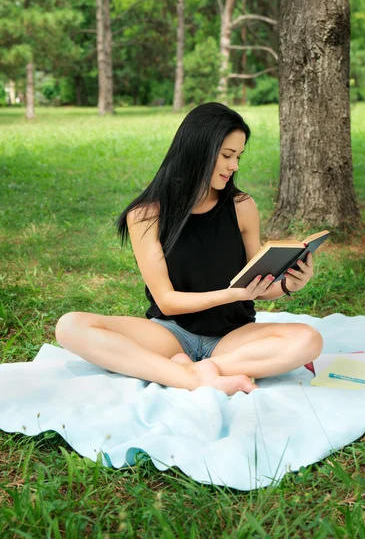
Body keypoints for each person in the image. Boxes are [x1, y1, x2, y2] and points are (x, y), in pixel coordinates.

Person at [55, 102, 323, 396]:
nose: (234, 166)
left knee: (309, 340)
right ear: (199, 151)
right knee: (70, 326)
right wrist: (233, 294)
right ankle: (195, 378)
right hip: (170, 332)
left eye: (238, 156)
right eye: (227, 155)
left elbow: (258, 284)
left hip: (232, 335)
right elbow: (167, 301)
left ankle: (189, 371)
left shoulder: (242, 207)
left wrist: (288, 285)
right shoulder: (146, 215)